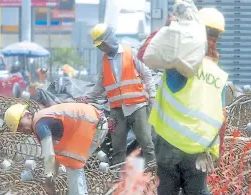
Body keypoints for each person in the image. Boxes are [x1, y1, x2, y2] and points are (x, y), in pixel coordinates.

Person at [146, 8, 228, 195]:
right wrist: (217, 151)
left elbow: (147, 53)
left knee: (167, 191)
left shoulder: (179, 64)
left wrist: (170, 31)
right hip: (198, 147)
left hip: (168, 145)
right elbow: (221, 116)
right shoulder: (218, 75)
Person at [85, 23, 156, 167]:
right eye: (99, 46)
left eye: (102, 44)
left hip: (137, 106)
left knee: (146, 142)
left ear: (109, 39)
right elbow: (101, 85)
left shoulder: (131, 52)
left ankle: (154, 175)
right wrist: (88, 97)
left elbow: (147, 74)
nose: (101, 48)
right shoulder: (103, 61)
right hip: (117, 110)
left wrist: (152, 95)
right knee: (118, 148)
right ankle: (119, 179)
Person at [3, 103, 108, 195]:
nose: (22, 130)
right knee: (72, 162)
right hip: (95, 123)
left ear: (28, 115)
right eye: (18, 129)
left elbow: (49, 155)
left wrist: (49, 181)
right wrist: (51, 179)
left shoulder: (39, 124)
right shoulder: (43, 119)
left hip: (94, 125)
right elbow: (55, 156)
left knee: (72, 162)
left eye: (21, 125)